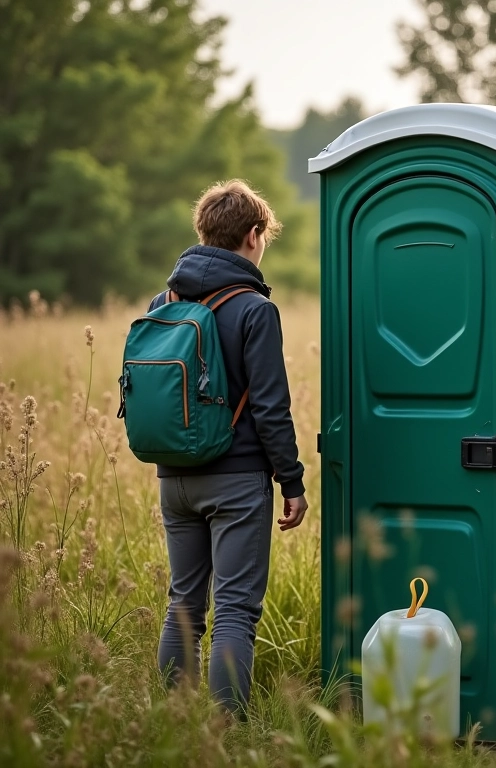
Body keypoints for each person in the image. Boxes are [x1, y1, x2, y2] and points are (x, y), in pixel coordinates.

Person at [148, 179, 308, 717]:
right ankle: (226, 730)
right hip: (237, 480)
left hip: (173, 477)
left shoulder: (163, 300)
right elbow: (270, 408)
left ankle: (172, 724)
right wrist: (292, 482)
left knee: (183, 608)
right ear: (254, 235)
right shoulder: (253, 310)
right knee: (235, 610)